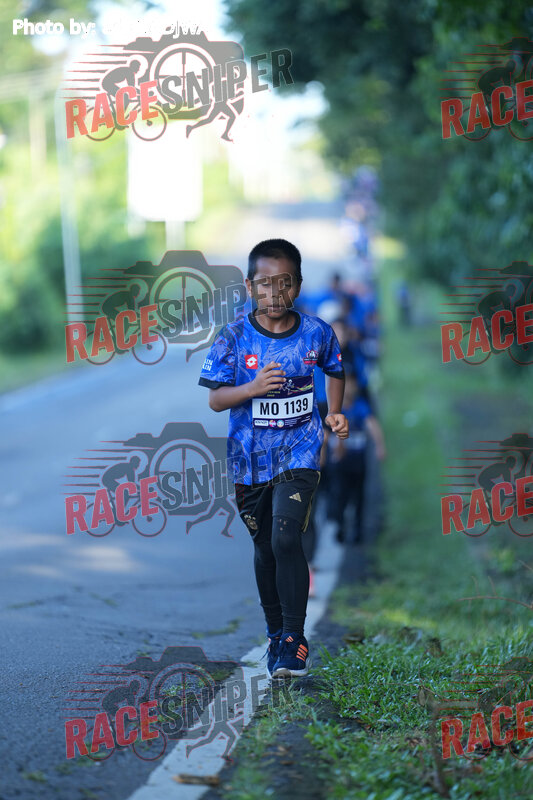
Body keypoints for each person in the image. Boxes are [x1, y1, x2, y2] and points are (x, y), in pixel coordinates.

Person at [198, 239, 348, 678]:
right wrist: (253, 388)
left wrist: (335, 413)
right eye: (264, 284)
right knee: (264, 547)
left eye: (284, 283)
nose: (274, 293)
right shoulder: (232, 338)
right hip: (249, 461)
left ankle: (294, 640)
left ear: (297, 285)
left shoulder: (317, 332)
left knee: (286, 537)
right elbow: (215, 400)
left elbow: (335, 368)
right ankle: (275, 633)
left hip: (301, 451)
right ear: (249, 287)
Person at [328, 370, 385, 544]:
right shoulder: (334, 408)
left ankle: (358, 531)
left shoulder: (360, 406)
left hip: (357, 460)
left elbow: (371, 424)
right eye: (345, 384)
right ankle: (340, 524)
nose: (349, 388)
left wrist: (380, 445)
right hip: (340, 461)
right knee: (340, 494)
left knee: (359, 496)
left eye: (352, 384)